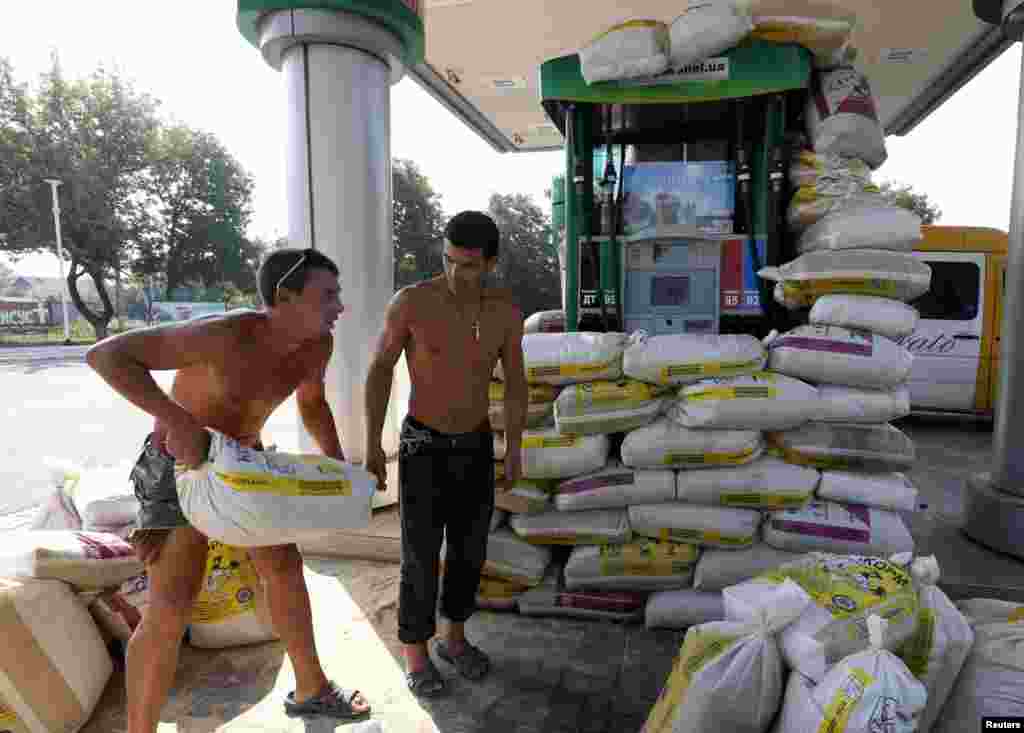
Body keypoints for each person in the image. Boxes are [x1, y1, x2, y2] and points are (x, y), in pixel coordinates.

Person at [86, 248, 375, 731]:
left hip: (243, 461)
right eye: (328, 295)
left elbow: (313, 404)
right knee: (171, 606)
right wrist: (179, 421)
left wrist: (339, 471)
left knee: (283, 567)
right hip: (180, 468)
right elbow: (108, 355)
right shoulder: (226, 333)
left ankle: (311, 689)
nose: (340, 307)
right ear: (285, 297)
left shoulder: (316, 345)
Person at [363, 210, 528, 697]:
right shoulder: (412, 302)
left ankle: (454, 640)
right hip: (422, 446)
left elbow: (516, 383)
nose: (457, 273)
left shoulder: (503, 311)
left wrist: (514, 446)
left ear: (492, 263)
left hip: (475, 444)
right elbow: (379, 370)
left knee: (468, 550)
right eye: (449, 260)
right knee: (418, 555)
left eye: (470, 265)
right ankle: (415, 653)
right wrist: (374, 442)